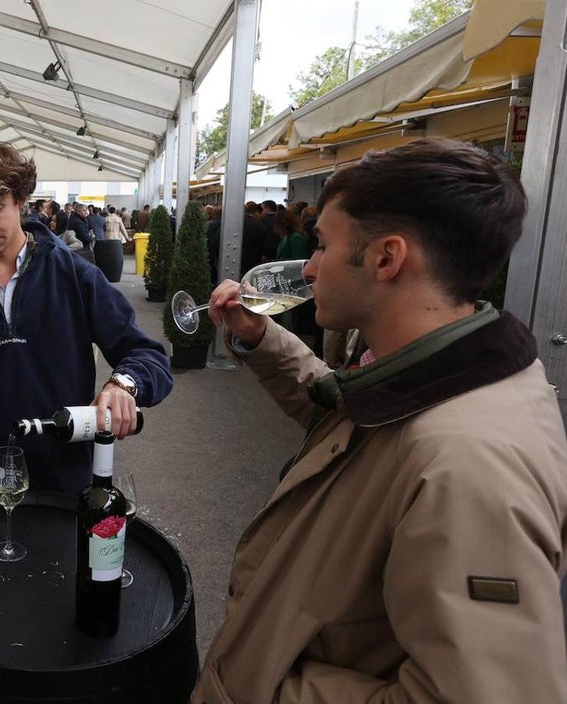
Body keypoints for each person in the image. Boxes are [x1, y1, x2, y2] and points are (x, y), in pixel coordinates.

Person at [193, 138, 567, 703]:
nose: (311, 268)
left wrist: (260, 686)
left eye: (322, 244)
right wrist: (261, 338)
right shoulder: (437, 372)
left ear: (386, 258)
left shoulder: (469, 466)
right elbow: (351, 417)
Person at [0, 142, 173, 495]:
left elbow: (148, 355)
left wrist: (124, 384)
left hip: (60, 480)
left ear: (19, 199)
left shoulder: (75, 276)